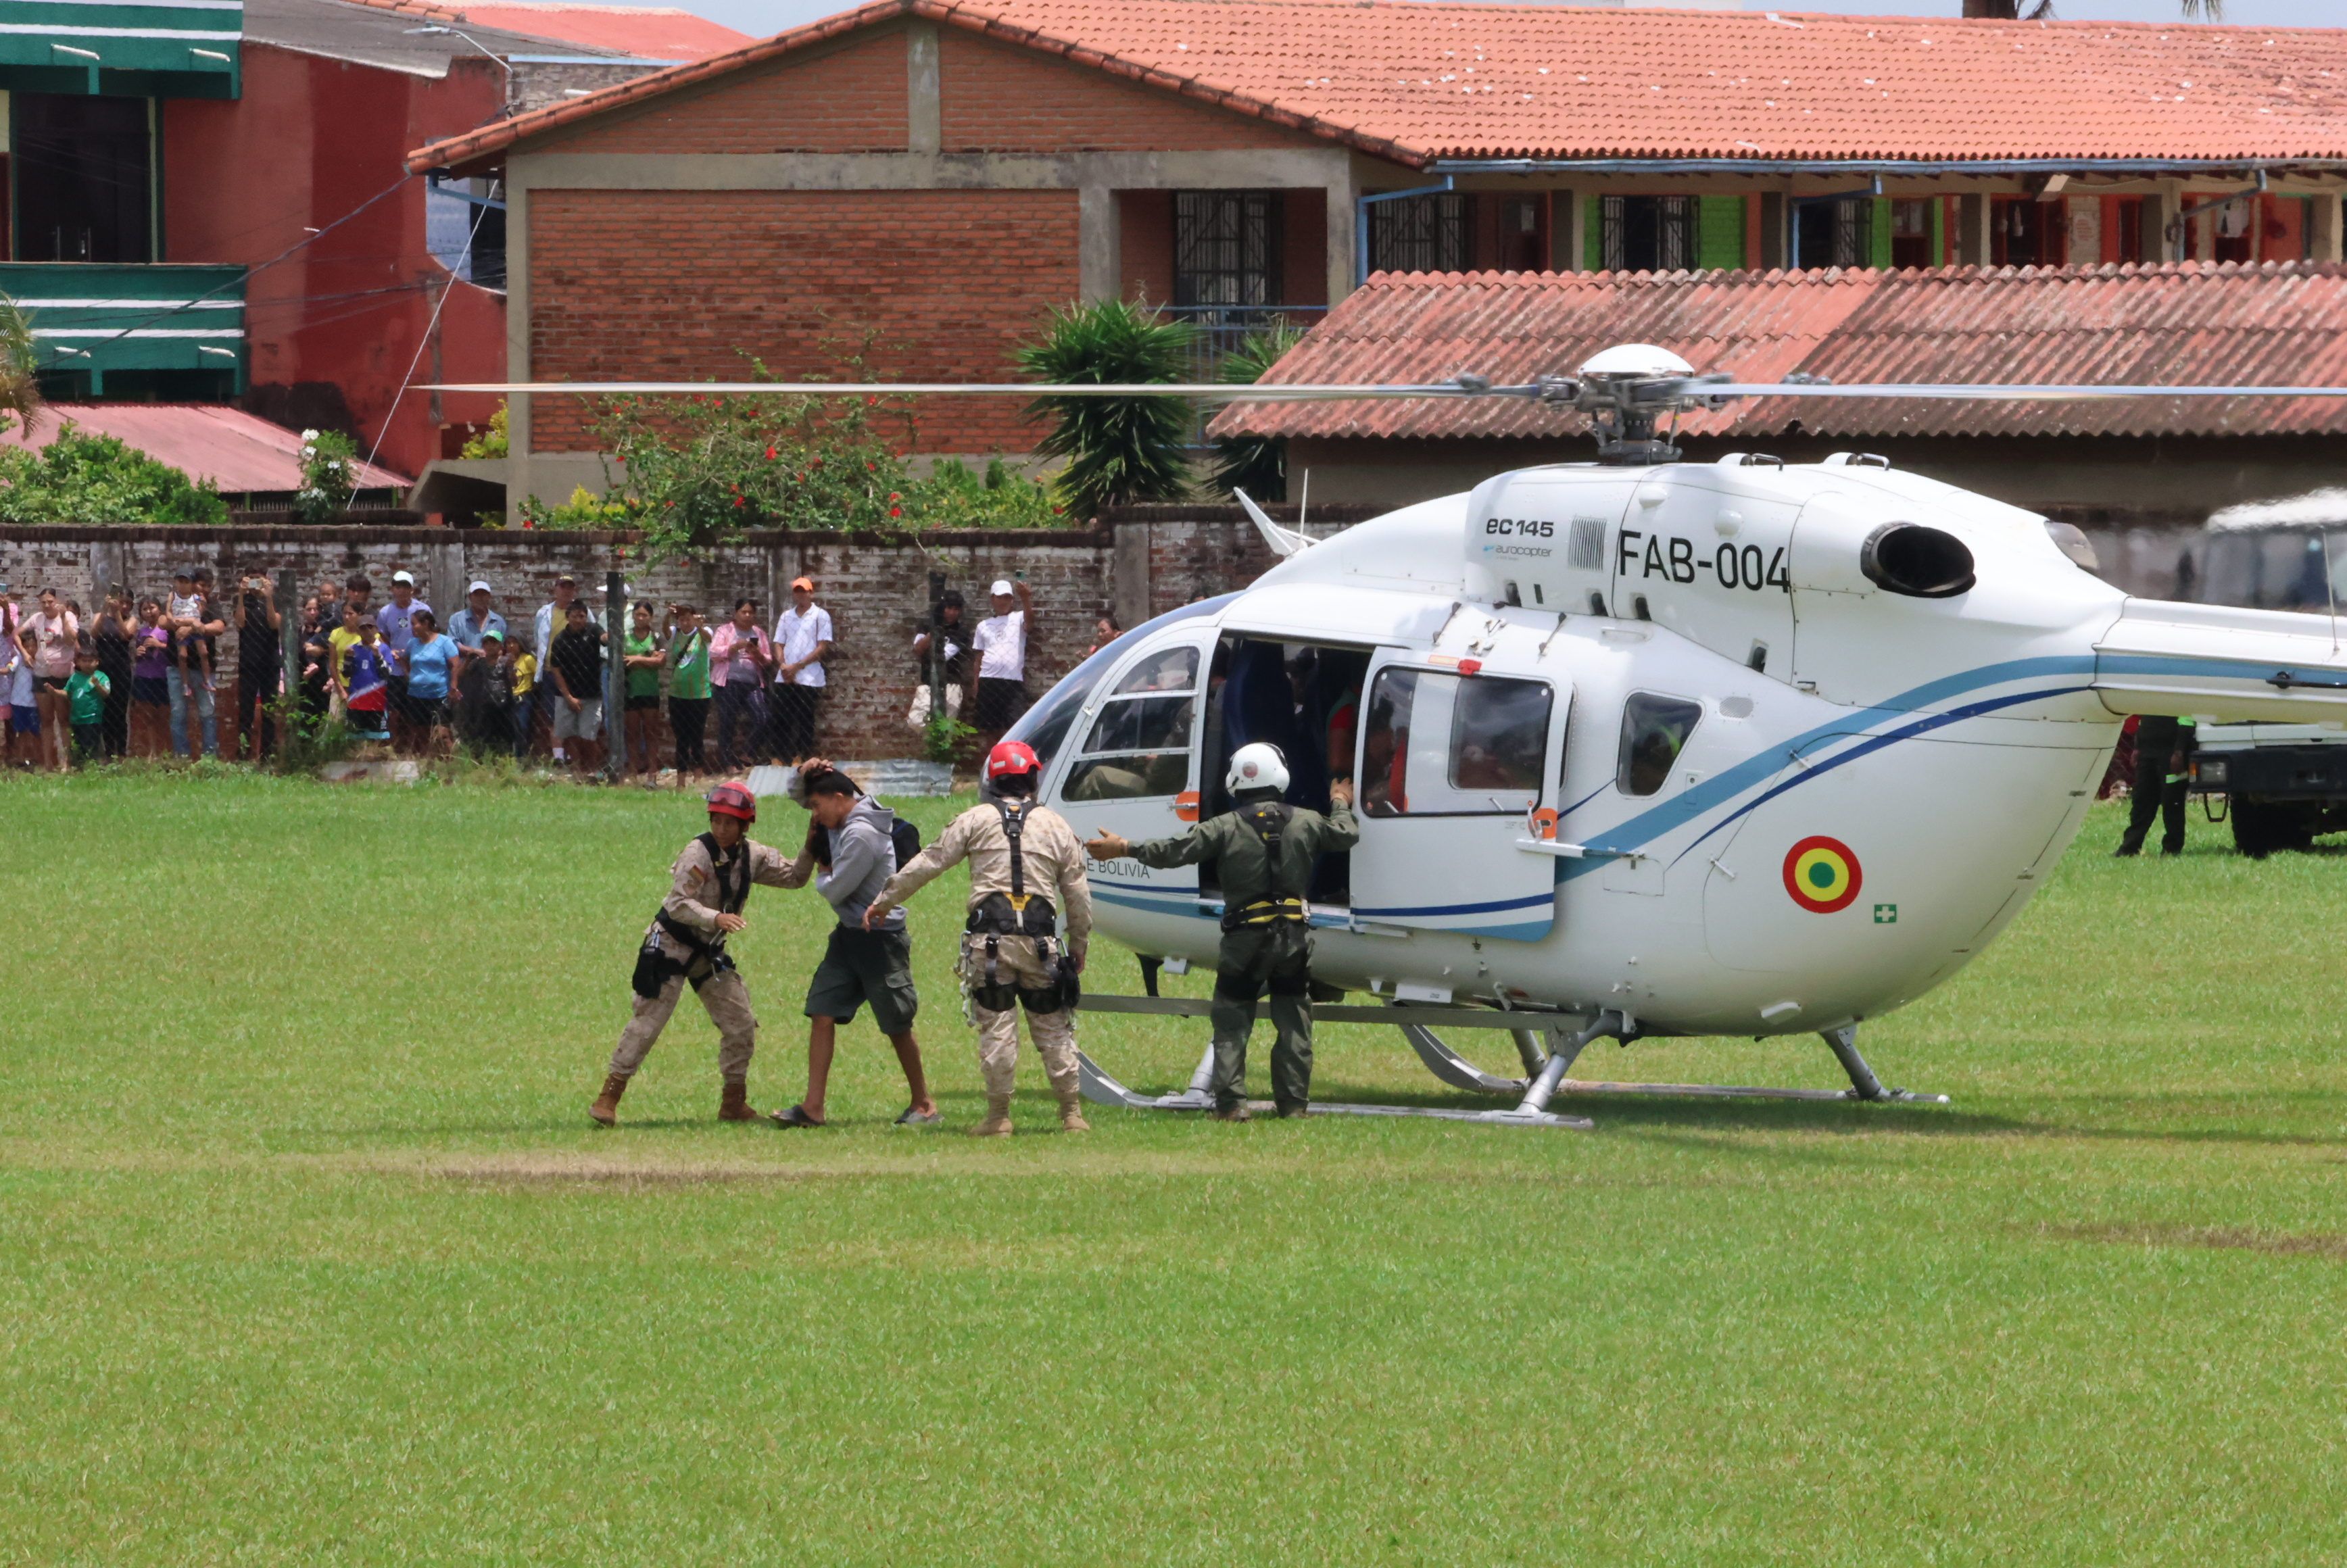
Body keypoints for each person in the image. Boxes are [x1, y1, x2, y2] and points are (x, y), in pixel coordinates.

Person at [1086, 743, 1359, 1121]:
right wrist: (1340, 800)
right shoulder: (1308, 821)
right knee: (1294, 1022)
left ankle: (1232, 1106)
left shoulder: (1223, 827)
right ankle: (1294, 1107)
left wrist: (1125, 847)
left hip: (1244, 940)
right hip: (1293, 940)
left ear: (1236, 782)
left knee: (1233, 1022)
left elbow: (1174, 852)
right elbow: (1344, 834)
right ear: (1279, 776)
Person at [863, 739, 1094, 1137]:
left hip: (989, 947)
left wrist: (885, 901)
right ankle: (1072, 1114)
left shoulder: (973, 820)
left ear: (992, 779)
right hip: (1041, 946)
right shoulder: (1057, 826)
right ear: (1033, 778)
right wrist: (1078, 946)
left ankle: (999, 1117)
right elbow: (1077, 893)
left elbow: (930, 861)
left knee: (998, 1031)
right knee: (1054, 1028)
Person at [589, 781, 796, 1127]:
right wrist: (715, 917)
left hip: (708, 952)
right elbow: (678, 904)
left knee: (741, 1022)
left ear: (745, 826)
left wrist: (813, 846)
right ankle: (608, 1097)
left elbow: (793, 876)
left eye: (730, 823)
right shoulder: (697, 853)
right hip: (670, 945)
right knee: (648, 1022)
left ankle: (734, 1102)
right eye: (716, 820)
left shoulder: (753, 855)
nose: (721, 828)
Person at [766, 763, 940, 1129]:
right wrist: (803, 771)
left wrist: (823, 875)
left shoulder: (861, 834)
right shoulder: (844, 817)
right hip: (848, 935)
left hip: (880, 939)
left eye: (817, 807)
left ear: (840, 799)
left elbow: (836, 888)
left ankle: (924, 1104)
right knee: (822, 1010)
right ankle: (813, 1108)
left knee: (896, 1024)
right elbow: (801, 794)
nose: (813, 815)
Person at [769, 575, 832, 764]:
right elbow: (779, 644)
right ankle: (779, 756)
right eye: (797, 591)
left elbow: (822, 647)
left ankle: (800, 755)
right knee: (781, 717)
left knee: (805, 718)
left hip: (809, 676)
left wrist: (797, 666)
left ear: (811, 593)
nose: (801, 595)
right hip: (785, 675)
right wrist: (784, 666)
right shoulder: (786, 616)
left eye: (804, 591)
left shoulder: (820, 616)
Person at [968, 576, 1034, 754]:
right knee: (991, 729)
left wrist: (1026, 598)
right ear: (992, 599)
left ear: (1012, 600)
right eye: (1000, 597)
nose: (1004, 601)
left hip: (1012, 681)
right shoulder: (984, 626)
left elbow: (1030, 622)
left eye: (1007, 597)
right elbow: (978, 657)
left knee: (1016, 726)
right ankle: (992, 764)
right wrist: (976, 683)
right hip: (989, 680)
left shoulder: (1018, 618)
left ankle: (1013, 764)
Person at [2116, 714, 2196, 858]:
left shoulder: (2179, 692)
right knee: (2141, 802)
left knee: (2172, 803)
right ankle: (2130, 847)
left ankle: (2172, 849)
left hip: (2170, 755)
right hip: (2147, 753)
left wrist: (2179, 752)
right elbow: (2143, 720)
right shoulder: (2152, 695)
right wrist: (2137, 748)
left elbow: (2188, 721)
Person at [708, 597, 771, 771]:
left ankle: (747, 753)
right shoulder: (725, 631)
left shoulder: (759, 633)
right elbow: (713, 652)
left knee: (763, 717)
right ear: (736, 613)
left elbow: (767, 661)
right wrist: (735, 647)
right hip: (728, 682)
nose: (747, 615)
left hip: (752, 683)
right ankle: (728, 763)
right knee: (728, 721)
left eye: (751, 612)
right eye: (744, 612)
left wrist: (756, 652)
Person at [20, 586, 78, 772]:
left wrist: (62, 618)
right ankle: (47, 763)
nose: (46, 605)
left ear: (57, 601)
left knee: (63, 719)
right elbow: (17, 634)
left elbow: (71, 640)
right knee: (46, 720)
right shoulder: (37, 619)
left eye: (50, 602)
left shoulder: (68, 617)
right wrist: (25, 654)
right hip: (41, 673)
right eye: (43, 602)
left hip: (62, 674)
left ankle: (66, 763)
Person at [548, 598, 607, 777]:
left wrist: (611, 635)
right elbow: (556, 671)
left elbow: (605, 638)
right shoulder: (560, 640)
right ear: (568, 617)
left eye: (582, 616)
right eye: (575, 616)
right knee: (570, 735)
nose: (579, 620)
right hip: (567, 695)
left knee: (589, 736)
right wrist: (569, 697)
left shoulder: (594, 630)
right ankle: (576, 769)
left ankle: (592, 770)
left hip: (591, 695)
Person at [377, 570, 431, 754]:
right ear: (392, 589)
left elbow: (429, 635)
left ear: (412, 590)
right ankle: (395, 747)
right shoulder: (385, 612)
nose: (401, 591)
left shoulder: (422, 611)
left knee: (416, 712)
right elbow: (383, 637)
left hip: (418, 669)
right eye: (398, 587)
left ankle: (417, 749)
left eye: (405, 587)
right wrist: (390, 652)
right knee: (394, 712)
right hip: (395, 670)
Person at [233, 568, 283, 762]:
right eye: (251, 579)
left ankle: (267, 755)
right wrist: (240, 595)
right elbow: (240, 623)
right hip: (248, 662)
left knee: (269, 711)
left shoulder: (274, 599)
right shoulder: (243, 600)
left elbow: (274, 624)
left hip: (270, 663)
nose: (255, 584)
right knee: (246, 711)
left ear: (266, 579)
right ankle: (244, 754)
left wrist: (268, 598)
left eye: (258, 579)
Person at [666, 604, 712, 775]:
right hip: (677, 693)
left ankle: (699, 775)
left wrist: (700, 627)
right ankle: (681, 777)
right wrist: (666, 616)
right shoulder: (675, 633)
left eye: (688, 618)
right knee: (681, 738)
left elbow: (709, 639)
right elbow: (665, 632)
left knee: (697, 736)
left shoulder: (704, 631)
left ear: (694, 618)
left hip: (700, 694)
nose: (685, 622)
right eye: (682, 619)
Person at [621, 600, 665, 779]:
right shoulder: (625, 636)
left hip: (650, 691)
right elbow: (623, 660)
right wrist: (647, 659)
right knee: (632, 734)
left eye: (644, 615)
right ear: (633, 616)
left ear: (651, 617)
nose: (640, 618)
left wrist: (636, 659)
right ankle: (632, 770)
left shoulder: (656, 637)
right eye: (638, 614)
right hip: (630, 690)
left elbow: (661, 661)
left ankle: (652, 771)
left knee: (651, 732)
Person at [92, 591, 135, 762]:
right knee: (106, 712)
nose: (124, 606)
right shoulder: (100, 617)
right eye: (121, 602)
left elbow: (126, 636)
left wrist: (117, 613)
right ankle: (108, 752)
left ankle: (122, 753)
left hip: (122, 671)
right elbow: (94, 634)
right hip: (103, 670)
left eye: (128, 603)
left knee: (120, 712)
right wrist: (105, 610)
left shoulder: (131, 620)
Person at [339, 617, 393, 744]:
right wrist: (348, 658)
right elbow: (346, 674)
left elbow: (386, 674)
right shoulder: (353, 649)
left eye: (370, 627)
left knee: (377, 737)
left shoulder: (384, 649)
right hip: (357, 698)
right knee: (356, 736)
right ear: (358, 631)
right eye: (363, 628)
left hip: (376, 698)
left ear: (376, 629)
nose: (367, 631)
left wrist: (378, 657)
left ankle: (375, 757)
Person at [130, 599, 173, 757]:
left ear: (160, 609)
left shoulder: (167, 630)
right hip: (144, 676)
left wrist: (159, 644)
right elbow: (136, 653)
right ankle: (152, 752)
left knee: (164, 716)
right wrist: (137, 653)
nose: (149, 612)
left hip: (163, 676)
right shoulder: (142, 632)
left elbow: (174, 651)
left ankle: (166, 751)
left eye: (152, 608)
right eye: (145, 609)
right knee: (148, 717)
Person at [67, 645, 111, 765]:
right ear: (78, 662)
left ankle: (93, 765)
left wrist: (97, 684)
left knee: (91, 745)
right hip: (76, 719)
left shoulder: (101, 677)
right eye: (84, 661)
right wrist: (54, 692)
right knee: (78, 744)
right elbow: (67, 693)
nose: (87, 664)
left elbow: (106, 694)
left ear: (97, 662)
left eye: (90, 661)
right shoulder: (74, 677)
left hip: (92, 718)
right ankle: (79, 765)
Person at [445, 581, 506, 664]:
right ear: (470, 597)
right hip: (465, 670)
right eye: (476, 594)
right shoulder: (457, 619)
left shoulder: (498, 622)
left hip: (491, 671)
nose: (480, 598)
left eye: (484, 594)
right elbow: (452, 644)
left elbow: (503, 647)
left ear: (489, 597)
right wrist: (474, 652)